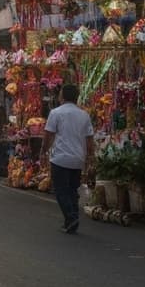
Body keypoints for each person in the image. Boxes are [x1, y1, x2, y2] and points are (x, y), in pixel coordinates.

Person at [42, 83, 95, 235]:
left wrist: (43, 151)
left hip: (60, 158)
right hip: (78, 159)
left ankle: (71, 218)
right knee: (72, 190)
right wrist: (90, 157)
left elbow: (48, 135)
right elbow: (89, 139)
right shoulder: (84, 115)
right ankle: (71, 220)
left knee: (61, 191)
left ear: (62, 96)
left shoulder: (56, 113)